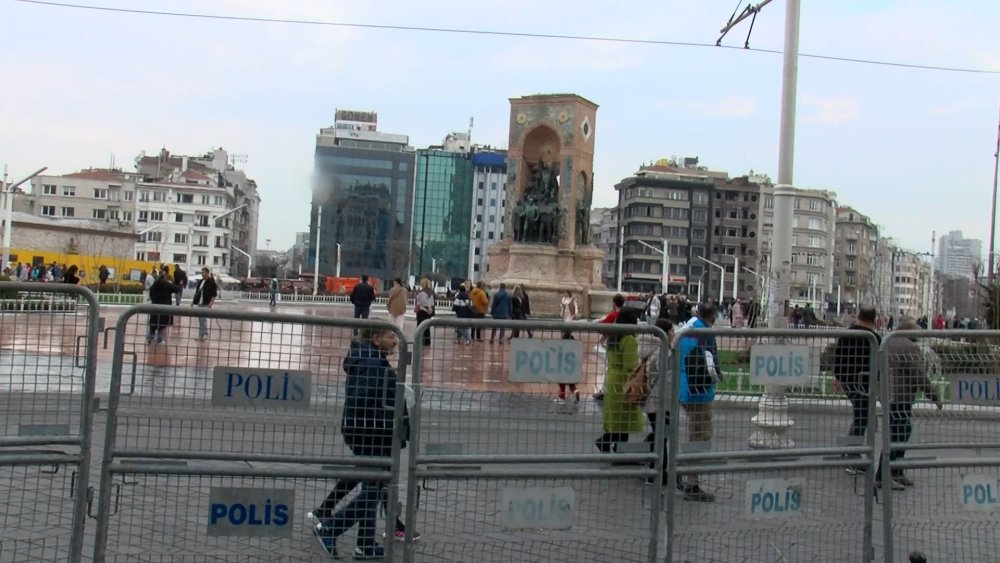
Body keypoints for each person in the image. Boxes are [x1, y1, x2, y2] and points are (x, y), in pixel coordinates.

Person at [311, 327, 415, 559]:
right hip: (373, 433)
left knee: (372, 486)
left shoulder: (368, 358)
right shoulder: (371, 364)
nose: (395, 341)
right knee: (375, 488)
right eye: (390, 336)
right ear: (376, 339)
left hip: (368, 431)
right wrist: (390, 419)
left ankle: (365, 544)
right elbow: (366, 399)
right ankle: (330, 528)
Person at [876, 316, 942, 490]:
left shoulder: (887, 342)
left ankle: (894, 471)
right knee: (899, 434)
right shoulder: (910, 347)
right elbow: (919, 375)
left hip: (887, 395)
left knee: (895, 433)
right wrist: (934, 396)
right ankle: (885, 474)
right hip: (901, 396)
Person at [677, 303, 722, 502]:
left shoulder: (687, 327)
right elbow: (711, 365)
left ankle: (679, 470)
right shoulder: (705, 334)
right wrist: (719, 376)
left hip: (684, 388)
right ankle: (691, 483)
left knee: (693, 434)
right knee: (700, 436)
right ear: (712, 317)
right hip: (699, 391)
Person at [832, 305, 881, 473]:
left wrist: (838, 377)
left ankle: (849, 452)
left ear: (859, 315)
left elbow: (839, 356)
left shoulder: (848, 334)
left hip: (848, 380)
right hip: (866, 383)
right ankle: (851, 457)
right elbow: (879, 363)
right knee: (862, 417)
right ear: (874, 319)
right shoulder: (874, 338)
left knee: (860, 416)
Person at [594, 307, 645, 452]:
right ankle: (617, 448)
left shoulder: (614, 336)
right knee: (624, 418)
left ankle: (607, 442)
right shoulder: (628, 338)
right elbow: (629, 364)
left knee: (615, 416)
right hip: (623, 379)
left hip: (612, 378)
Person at [638, 318, 675, 485]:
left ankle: (655, 467)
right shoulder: (662, 351)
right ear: (665, 332)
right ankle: (657, 472)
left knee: (659, 434)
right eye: (672, 330)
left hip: (654, 400)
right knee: (662, 436)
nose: (674, 333)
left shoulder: (652, 348)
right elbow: (662, 374)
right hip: (659, 401)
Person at [147, 272, 176, 344]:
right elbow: (176, 289)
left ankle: (149, 338)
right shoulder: (167, 285)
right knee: (161, 326)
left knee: (152, 325)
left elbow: (151, 295)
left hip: (154, 308)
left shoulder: (153, 286)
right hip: (164, 308)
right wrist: (170, 283)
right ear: (164, 278)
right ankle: (159, 340)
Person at [192, 268, 218, 341]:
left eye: (203, 272)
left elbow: (214, 294)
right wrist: (193, 302)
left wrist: (210, 303)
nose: (202, 274)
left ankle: (204, 335)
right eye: (201, 272)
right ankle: (201, 335)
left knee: (203, 319)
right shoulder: (200, 282)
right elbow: (197, 292)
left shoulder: (212, 283)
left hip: (206, 303)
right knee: (200, 320)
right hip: (200, 303)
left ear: (207, 273)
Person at [415, 278, 435, 347]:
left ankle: (420, 340)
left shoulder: (421, 293)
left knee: (420, 326)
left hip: (422, 311)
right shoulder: (430, 292)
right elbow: (431, 303)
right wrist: (429, 309)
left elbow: (419, 303)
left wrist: (423, 308)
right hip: (429, 311)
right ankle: (427, 341)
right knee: (427, 327)